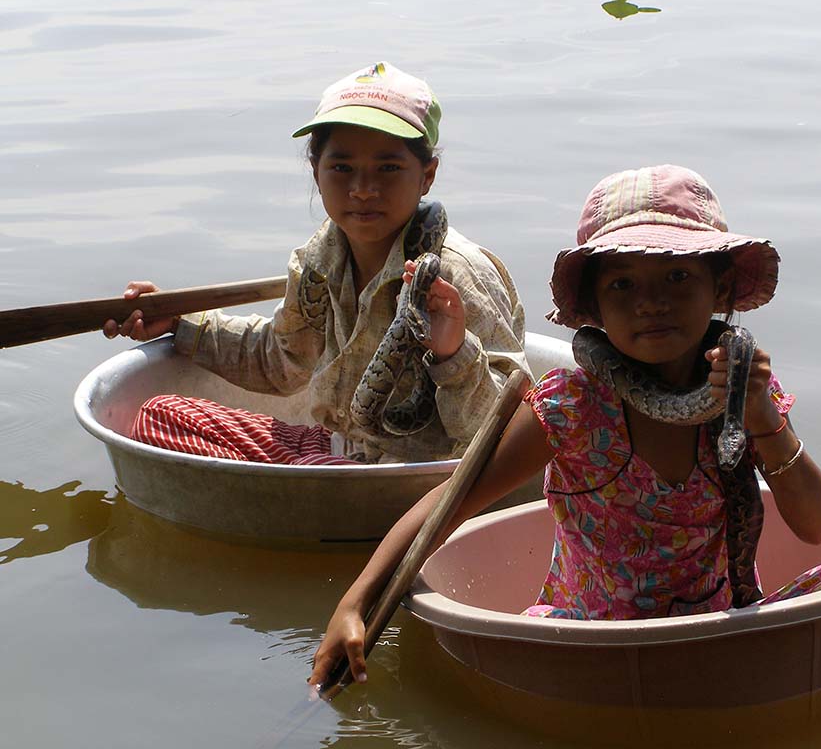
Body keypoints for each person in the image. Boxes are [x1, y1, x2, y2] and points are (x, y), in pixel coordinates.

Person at [309, 164, 821, 687]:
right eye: (622, 284)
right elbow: (450, 503)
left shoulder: (743, 388)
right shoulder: (572, 408)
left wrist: (764, 420)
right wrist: (352, 603)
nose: (651, 302)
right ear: (595, 306)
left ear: (720, 289)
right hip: (587, 641)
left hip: (711, 630)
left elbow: (818, 527)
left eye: (677, 275)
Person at [102, 62, 529, 464]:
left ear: (427, 175)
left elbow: (514, 430)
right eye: (342, 167)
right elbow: (280, 362)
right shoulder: (319, 262)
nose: (362, 189)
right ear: (316, 169)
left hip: (419, 475)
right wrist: (181, 322)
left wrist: (453, 353)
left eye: (388, 168)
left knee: (278, 480)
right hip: (333, 449)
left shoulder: (455, 275)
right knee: (161, 415)